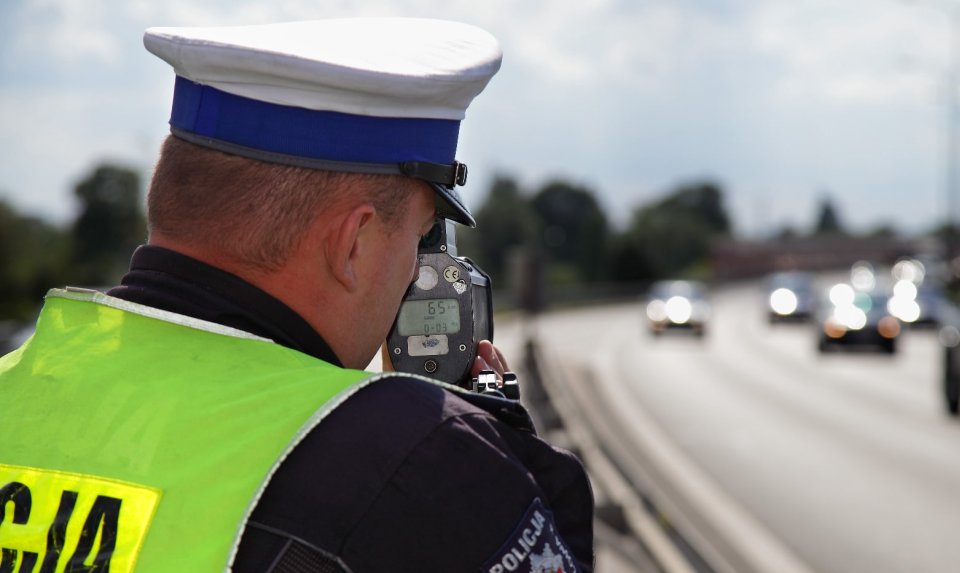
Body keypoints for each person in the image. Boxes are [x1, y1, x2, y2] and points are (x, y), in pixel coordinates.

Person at [0, 18, 594, 572]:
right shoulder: (417, 460)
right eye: (418, 239)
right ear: (353, 244)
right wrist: (492, 461)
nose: (416, 270)